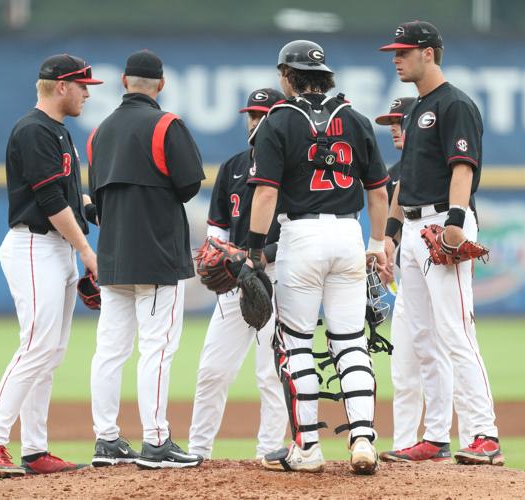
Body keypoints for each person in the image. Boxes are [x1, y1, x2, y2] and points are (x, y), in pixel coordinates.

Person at [243, 40, 390, 474]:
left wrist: (253, 250)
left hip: (301, 236)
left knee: (297, 344)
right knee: (350, 342)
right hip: (349, 233)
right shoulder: (356, 118)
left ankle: (307, 448)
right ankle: (363, 438)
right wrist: (378, 244)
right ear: (325, 76)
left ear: (288, 76)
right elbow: (378, 190)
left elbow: (267, 191)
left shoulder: (278, 120)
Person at [0, 54, 102, 478]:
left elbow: (69, 197)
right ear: (61, 85)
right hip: (34, 245)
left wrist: (99, 212)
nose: (85, 93)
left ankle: (35, 449)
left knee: (51, 352)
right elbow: (48, 202)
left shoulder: (57, 131)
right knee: (36, 347)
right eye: (82, 85)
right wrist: (86, 250)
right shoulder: (34, 130)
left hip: (55, 247)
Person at [379, 21, 503, 465]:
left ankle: (484, 434)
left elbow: (462, 167)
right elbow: (403, 181)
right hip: (412, 226)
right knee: (423, 337)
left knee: (455, 331)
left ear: (428, 53)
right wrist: (390, 236)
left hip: (441, 223)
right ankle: (434, 437)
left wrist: (455, 221)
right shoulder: (415, 109)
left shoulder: (455, 104)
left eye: (403, 51)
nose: (396, 58)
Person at [87, 50, 205, 469]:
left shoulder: (99, 132)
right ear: (161, 84)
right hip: (156, 255)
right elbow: (190, 184)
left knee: (109, 350)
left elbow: (96, 197)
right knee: (157, 348)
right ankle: (156, 442)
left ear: (123, 81)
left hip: (113, 256)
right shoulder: (166, 124)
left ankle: (107, 440)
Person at [188, 88, 288, 460]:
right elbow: (216, 231)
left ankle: (270, 450)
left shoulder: (292, 171)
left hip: (276, 277)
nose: (255, 121)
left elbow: (297, 236)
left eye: (264, 115)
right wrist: (219, 259)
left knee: (271, 372)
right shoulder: (232, 167)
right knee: (212, 369)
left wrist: (257, 259)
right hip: (234, 283)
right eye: (252, 114)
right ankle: (198, 450)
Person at [375, 97, 473, 458]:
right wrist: (385, 250)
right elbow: (393, 226)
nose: (396, 129)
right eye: (392, 124)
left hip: (437, 262)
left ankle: (451, 435)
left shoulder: (434, 167)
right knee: (403, 369)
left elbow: (463, 206)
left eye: (400, 121)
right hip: (407, 279)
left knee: (445, 344)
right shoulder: (394, 172)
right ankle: (406, 442)